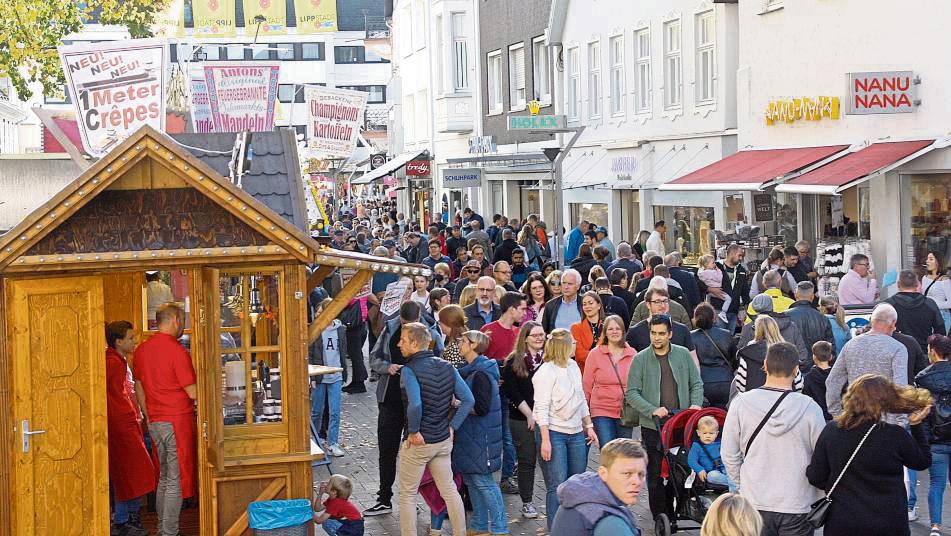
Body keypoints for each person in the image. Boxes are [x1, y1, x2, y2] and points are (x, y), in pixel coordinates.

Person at [721, 342, 827, 536]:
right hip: (798, 500)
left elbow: (729, 453)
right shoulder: (810, 408)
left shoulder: (741, 404)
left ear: (765, 365)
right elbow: (822, 456)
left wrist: (742, 483)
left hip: (755, 497)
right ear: (796, 370)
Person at [806, 374, 932, 536]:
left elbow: (816, 476)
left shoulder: (831, 431)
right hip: (888, 521)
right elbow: (922, 462)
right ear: (884, 402)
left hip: (843, 519)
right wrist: (915, 425)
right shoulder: (894, 435)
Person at [396, 323, 475, 536]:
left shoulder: (409, 369)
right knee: (449, 490)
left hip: (420, 442)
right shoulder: (447, 366)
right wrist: (453, 426)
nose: (399, 344)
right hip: (442, 440)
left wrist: (413, 431)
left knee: (407, 495)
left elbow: (416, 404)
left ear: (414, 343)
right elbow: (468, 400)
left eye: (402, 340)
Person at [625, 314, 703, 525]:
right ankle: (662, 517)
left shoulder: (683, 354)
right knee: (655, 475)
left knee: (680, 471)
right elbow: (631, 392)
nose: (657, 338)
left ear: (670, 334)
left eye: (661, 333)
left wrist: (695, 405)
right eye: (653, 333)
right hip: (653, 426)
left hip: (680, 424)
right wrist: (652, 409)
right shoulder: (640, 359)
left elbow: (696, 383)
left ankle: (677, 510)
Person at [132, 304, 197, 536]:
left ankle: (163, 528)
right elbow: (193, 392)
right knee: (176, 479)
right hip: (177, 419)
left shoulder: (141, 350)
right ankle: (170, 531)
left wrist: (148, 414)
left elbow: (138, 385)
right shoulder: (177, 351)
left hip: (155, 419)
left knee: (165, 477)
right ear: (176, 321)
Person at [533, 328, 599, 528]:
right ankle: (556, 528)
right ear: (563, 346)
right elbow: (541, 408)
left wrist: (589, 425)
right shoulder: (546, 371)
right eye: (573, 342)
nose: (576, 345)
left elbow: (580, 398)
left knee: (576, 482)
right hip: (555, 433)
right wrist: (545, 440)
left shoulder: (572, 366)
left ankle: (574, 526)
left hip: (576, 432)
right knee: (558, 485)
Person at [365, 301, 425, 516]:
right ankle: (384, 498)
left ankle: (411, 500)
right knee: (387, 450)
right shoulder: (390, 328)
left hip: (414, 401)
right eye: (404, 324)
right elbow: (374, 357)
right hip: (390, 398)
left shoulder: (429, 331)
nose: (407, 328)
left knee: (412, 454)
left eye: (412, 324)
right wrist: (386, 367)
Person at [449, 330, 509, 535]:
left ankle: (500, 528)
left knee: (484, 482)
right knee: (471, 480)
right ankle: (479, 525)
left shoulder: (481, 373)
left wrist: (459, 404)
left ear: (474, 345)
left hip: (480, 436)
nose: (460, 343)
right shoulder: (473, 370)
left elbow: (481, 407)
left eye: (463, 341)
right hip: (472, 436)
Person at [105, 321, 155, 536]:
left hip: (127, 421)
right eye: (131, 337)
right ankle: (124, 520)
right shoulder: (113, 363)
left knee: (131, 471)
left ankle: (129, 517)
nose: (135, 341)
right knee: (129, 471)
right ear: (118, 341)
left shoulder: (118, 360)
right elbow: (117, 396)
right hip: (121, 424)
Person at [826, 303, 909, 424]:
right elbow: (900, 386)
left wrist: (837, 413)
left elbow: (833, 381)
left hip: (855, 418)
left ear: (872, 321)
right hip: (887, 421)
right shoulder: (898, 348)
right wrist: (901, 422)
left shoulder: (851, 345)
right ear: (893, 323)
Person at [550, 439, 647, 536]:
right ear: (603, 473)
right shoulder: (611, 524)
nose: (637, 482)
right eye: (627, 473)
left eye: (641, 474)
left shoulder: (579, 493)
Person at [502, 322, 546, 519]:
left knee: (547, 460)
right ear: (525, 338)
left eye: (541, 334)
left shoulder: (549, 359)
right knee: (527, 460)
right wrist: (530, 414)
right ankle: (527, 501)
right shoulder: (514, 361)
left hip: (546, 418)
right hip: (521, 418)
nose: (539, 338)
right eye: (535, 335)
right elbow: (513, 392)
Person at [915, 334, 951, 536]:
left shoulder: (922, 378)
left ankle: (936, 525)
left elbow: (922, 411)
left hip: (935, 438)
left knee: (936, 482)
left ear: (932, 351)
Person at [582, 315, 636, 446]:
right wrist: (585, 414)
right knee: (608, 448)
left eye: (618, 328)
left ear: (623, 331)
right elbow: (586, 385)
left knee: (624, 451)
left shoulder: (633, 354)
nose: (614, 331)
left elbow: (637, 384)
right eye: (610, 329)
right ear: (605, 332)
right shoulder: (595, 354)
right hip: (601, 409)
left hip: (625, 411)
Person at [310, 298, 347, 457]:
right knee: (317, 411)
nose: (318, 314)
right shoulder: (315, 330)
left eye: (321, 311)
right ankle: (314, 440)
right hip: (319, 376)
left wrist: (343, 370)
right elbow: (311, 354)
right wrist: (311, 376)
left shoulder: (340, 329)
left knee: (335, 411)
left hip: (336, 374)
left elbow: (342, 351)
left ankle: (332, 442)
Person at [626, 288, 699, 369]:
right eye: (657, 302)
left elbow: (693, 361)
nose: (662, 305)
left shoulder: (682, 330)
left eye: (665, 301)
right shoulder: (635, 332)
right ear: (648, 304)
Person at [734, 315, 804, 397]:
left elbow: (740, 384)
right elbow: (798, 384)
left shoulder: (747, 353)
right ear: (775, 329)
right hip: (785, 400)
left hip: (755, 401)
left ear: (756, 330)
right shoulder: (788, 352)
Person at [886, 268, 947, 354]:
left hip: (896, 354)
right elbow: (940, 332)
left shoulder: (888, 306)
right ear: (917, 284)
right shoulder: (930, 304)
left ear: (898, 284)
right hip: (924, 354)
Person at [737, 293, 808, 366]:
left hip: (759, 374)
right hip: (787, 373)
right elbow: (802, 355)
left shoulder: (748, 328)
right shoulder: (790, 325)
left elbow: (741, 354)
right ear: (772, 306)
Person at [690, 303, 736, 409]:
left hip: (703, 382)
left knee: (703, 420)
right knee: (724, 418)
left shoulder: (691, 337)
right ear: (713, 317)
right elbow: (735, 359)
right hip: (725, 381)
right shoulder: (726, 334)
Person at [786, 281, 836, 361]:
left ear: (795, 295)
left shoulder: (785, 316)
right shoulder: (823, 318)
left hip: (792, 366)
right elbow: (830, 350)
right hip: (816, 366)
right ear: (812, 297)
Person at [688, 416, 735, 491]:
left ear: (716, 434)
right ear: (698, 433)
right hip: (712, 472)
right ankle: (736, 484)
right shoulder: (696, 446)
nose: (708, 436)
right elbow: (691, 460)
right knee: (711, 476)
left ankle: (736, 482)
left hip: (726, 467)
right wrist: (699, 469)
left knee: (734, 469)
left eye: (711, 433)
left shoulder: (721, 442)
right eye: (704, 433)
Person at [712, 244, 750, 333]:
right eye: (739, 255)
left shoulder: (741, 270)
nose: (741, 258)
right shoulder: (716, 266)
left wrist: (745, 308)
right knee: (720, 337)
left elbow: (745, 291)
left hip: (733, 311)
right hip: (718, 309)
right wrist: (709, 289)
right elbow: (700, 279)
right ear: (732, 253)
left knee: (730, 338)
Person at [571, 291, 605, 373]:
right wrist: (602, 357)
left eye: (590, 303)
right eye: (584, 304)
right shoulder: (576, 328)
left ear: (599, 305)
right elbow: (579, 354)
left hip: (606, 372)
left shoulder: (608, 326)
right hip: (585, 372)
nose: (587, 306)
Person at [802, 341, 834, 421]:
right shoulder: (837, 376)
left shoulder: (809, 378)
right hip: (835, 416)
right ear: (830, 357)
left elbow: (806, 399)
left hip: (816, 417)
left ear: (814, 357)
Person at [698, 254, 731, 324]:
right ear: (707, 264)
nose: (715, 264)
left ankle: (710, 313)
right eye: (713, 263)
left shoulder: (701, 272)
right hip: (717, 290)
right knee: (728, 299)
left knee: (708, 302)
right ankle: (723, 313)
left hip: (709, 292)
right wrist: (718, 270)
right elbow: (719, 278)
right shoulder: (712, 272)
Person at [924, 251, 951, 332]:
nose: (927, 261)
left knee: (939, 343)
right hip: (926, 315)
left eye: (931, 259)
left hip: (942, 316)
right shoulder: (924, 278)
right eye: (927, 259)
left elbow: (950, 303)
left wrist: (932, 304)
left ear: (938, 262)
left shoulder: (945, 280)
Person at [437, 304, 468, 369]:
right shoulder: (464, 338)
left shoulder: (455, 346)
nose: (439, 323)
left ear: (448, 322)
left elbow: (454, 373)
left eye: (440, 321)